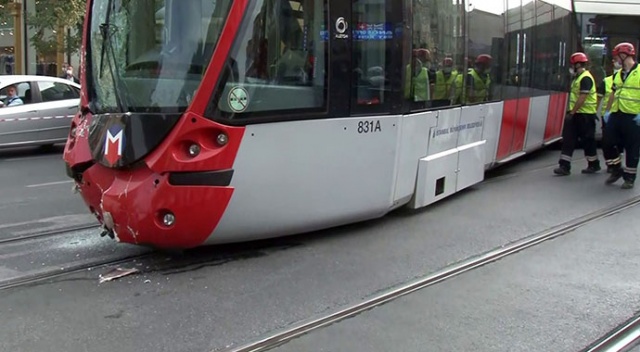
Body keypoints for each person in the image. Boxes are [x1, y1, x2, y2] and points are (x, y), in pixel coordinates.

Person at [553, 52, 601, 176]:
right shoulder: (578, 78)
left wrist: (572, 112)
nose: (571, 67)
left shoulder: (585, 77)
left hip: (585, 115)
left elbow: (582, 97)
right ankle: (564, 166)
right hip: (576, 114)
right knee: (568, 139)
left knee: (588, 141)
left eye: (573, 64)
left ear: (578, 64)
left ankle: (594, 164)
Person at [601, 42, 640, 189]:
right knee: (607, 142)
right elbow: (613, 93)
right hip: (617, 114)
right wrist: (608, 111)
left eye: (617, 56)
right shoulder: (617, 75)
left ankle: (629, 178)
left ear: (624, 55)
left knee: (632, 148)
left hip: (633, 116)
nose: (615, 59)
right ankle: (617, 168)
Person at [597, 59, 622, 173]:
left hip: (620, 115)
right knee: (607, 142)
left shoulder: (628, 81)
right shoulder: (606, 81)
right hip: (607, 116)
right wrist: (595, 112)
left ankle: (616, 163)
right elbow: (598, 98)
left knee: (618, 142)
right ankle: (611, 164)